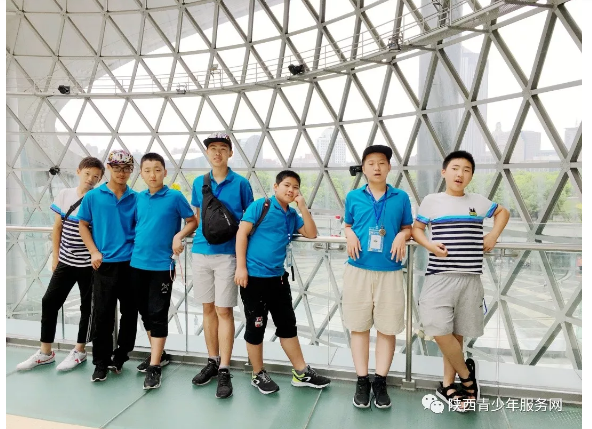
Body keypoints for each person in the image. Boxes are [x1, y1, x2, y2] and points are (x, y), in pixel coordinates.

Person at [411, 150, 509, 412]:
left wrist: (492, 236)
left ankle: (448, 385)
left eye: (466, 170)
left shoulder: (477, 201)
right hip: (439, 276)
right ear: (444, 172)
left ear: (471, 176)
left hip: (470, 278)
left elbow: (503, 212)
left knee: (457, 335)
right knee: (437, 327)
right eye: (455, 168)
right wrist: (430, 246)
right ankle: (467, 375)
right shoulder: (432, 201)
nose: (460, 174)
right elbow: (417, 229)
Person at [234, 170, 331, 394]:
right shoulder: (261, 206)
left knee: (287, 325)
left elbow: (311, 233)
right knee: (256, 326)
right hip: (254, 278)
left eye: (295, 187)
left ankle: (301, 372)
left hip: (278, 279)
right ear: (276, 186)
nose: (291, 190)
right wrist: (241, 267)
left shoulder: (291, 215)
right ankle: (258, 373)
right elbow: (241, 234)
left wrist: (303, 207)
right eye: (287, 185)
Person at [17, 157, 105, 371]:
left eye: (96, 176)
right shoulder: (65, 195)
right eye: (87, 174)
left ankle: (79, 351)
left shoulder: (98, 200)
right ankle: (45, 352)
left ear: (100, 179)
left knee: (88, 308)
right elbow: (58, 228)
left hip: (89, 265)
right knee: (49, 302)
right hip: (65, 261)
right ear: (78, 171)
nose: (90, 179)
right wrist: (55, 256)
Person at [343, 145, 413, 409]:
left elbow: (408, 227)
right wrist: (349, 233)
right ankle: (362, 380)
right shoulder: (353, 196)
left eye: (381, 162)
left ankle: (380, 381)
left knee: (387, 327)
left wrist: (402, 235)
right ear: (363, 168)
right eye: (371, 163)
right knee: (359, 326)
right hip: (358, 269)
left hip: (390, 271)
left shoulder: (400, 197)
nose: (376, 167)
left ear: (389, 167)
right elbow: (348, 224)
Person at [190, 132, 254, 399]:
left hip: (228, 255)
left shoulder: (241, 183)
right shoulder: (199, 182)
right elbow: (197, 217)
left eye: (222, 148)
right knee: (207, 308)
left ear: (230, 153)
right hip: (200, 252)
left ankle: (225, 367)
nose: (217, 152)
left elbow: (250, 219)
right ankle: (212, 360)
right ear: (207, 152)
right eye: (213, 148)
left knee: (224, 310)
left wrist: (242, 260)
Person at [131, 153, 197, 390]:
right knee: (145, 313)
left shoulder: (175, 197)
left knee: (157, 313)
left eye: (157, 170)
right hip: (136, 263)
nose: (152, 175)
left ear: (165, 172)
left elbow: (192, 221)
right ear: (141, 173)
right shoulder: (138, 198)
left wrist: (178, 236)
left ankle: (155, 365)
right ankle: (159, 355)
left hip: (162, 266)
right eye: (147, 170)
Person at [78, 149, 139, 382]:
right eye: (117, 168)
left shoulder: (136, 198)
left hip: (131, 263)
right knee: (102, 315)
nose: (122, 173)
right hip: (104, 264)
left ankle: (121, 356)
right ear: (110, 169)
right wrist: (94, 251)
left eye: (126, 168)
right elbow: (83, 224)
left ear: (131, 170)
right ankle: (100, 362)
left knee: (130, 313)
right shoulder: (93, 196)